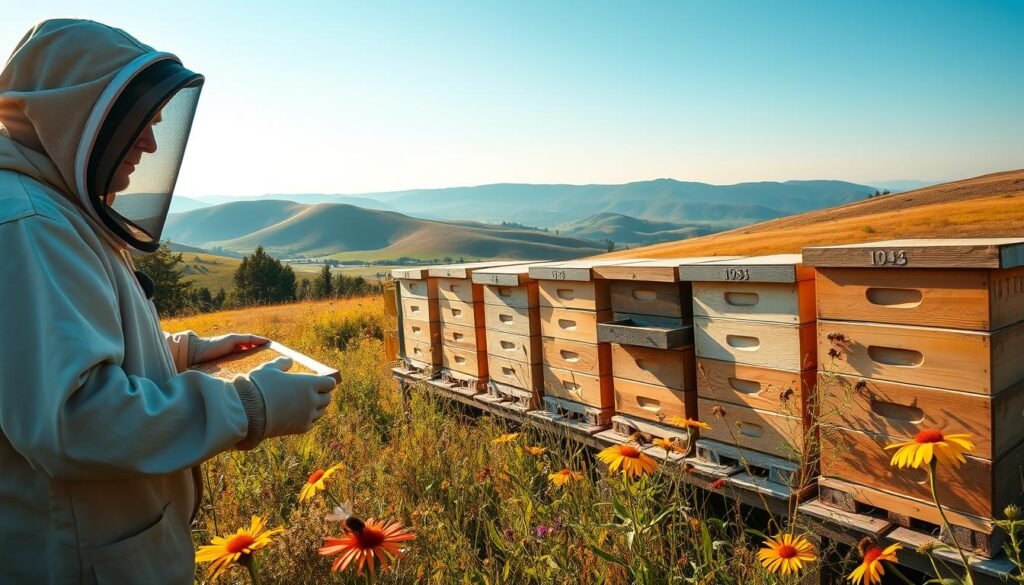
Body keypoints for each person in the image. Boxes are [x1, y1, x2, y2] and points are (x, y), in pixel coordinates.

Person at [0, 19, 338, 583]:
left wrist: (183, 353)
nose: (151, 144)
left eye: (156, 124)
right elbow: (74, 419)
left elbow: (49, 358)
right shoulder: (31, 225)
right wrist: (249, 407)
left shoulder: (50, 209)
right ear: (75, 115)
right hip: (78, 559)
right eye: (138, 123)